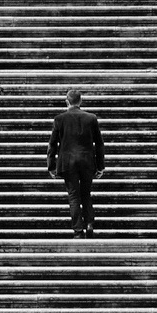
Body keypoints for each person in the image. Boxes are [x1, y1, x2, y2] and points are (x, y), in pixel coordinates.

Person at [47, 90, 106, 238]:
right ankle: (89, 224)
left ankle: (78, 231)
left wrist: (51, 166)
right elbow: (99, 144)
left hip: (68, 163)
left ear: (67, 102)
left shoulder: (59, 119)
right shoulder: (91, 118)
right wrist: (100, 166)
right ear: (80, 101)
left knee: (73, 196)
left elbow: (52, 144)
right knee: (86, 194)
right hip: (87, 162)